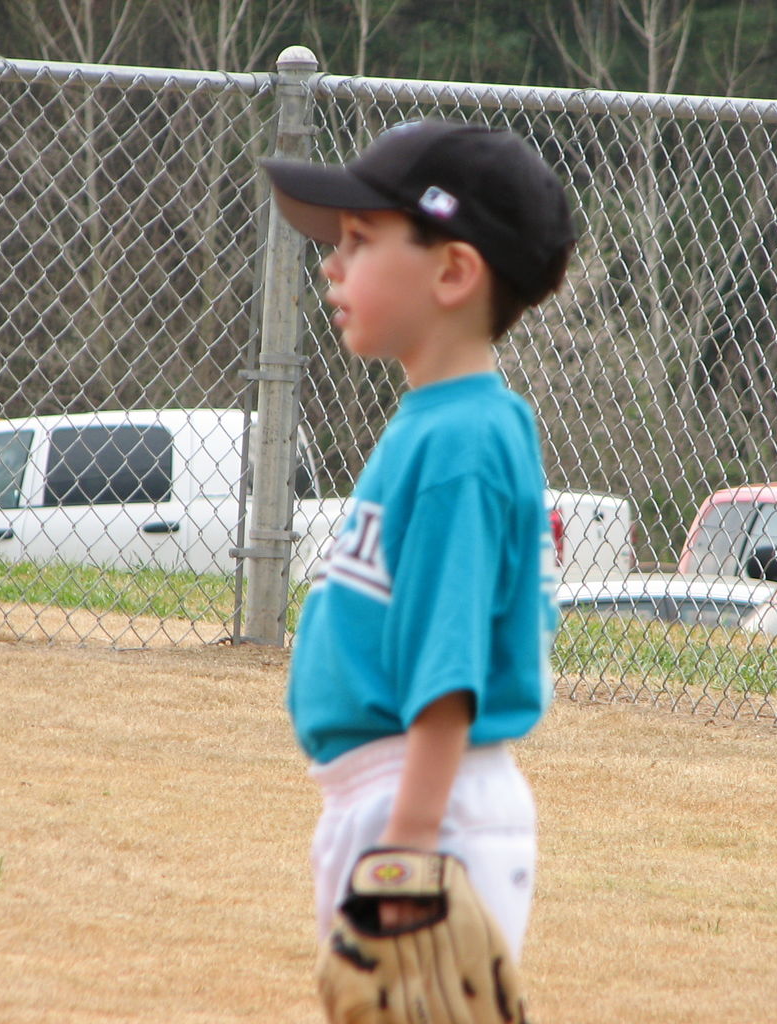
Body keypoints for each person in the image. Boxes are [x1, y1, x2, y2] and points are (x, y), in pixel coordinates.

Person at [262, 119, 573, 960]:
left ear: (452, 270)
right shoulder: (441, 424)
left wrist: (403, 854)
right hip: (401, 795)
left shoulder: (460, 443)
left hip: (425, 805)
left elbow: (448, 675)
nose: (331, 264)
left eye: (360, 240)